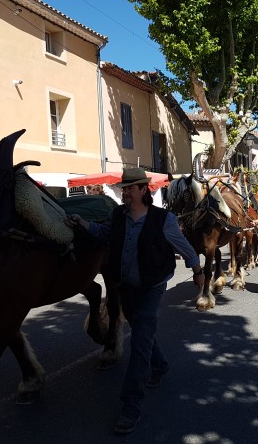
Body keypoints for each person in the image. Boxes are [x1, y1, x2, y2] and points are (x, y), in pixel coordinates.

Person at [66, 168, 204, 435]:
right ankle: (160, 364)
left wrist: (197, 270)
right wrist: (82, 223)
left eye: (130, 188)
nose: (125, 192)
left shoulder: (163, 219)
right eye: (123, 188)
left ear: (144, 190)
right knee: (142, 331)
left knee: (139, 340)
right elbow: (103, 233)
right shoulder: (118, 215)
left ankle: (131, 405)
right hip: (126, 287)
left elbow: (183, 246)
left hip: (152, 287)